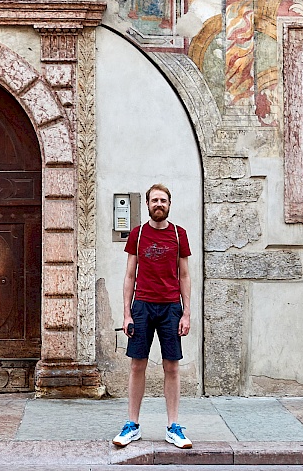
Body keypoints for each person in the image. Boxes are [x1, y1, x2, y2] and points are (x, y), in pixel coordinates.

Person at [112, 183, 192, 449]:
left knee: (172, 366)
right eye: (155, 200)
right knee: (137, 365)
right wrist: (126, 314)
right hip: (142, 306)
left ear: (170, 205)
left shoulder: (179, 235)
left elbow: (184, 275)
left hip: (170, 307)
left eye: (164, 200)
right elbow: (129, 276)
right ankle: (132, 425)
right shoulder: (137, 234)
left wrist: (186, 313)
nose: (159, 204)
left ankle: (173, 427)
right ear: (147, 205)